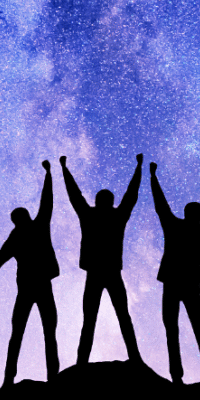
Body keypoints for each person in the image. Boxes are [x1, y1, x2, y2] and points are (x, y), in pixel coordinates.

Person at [60, 153, 144, 365]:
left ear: (98, 201)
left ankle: (82, 362)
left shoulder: (90, 215)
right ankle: (133, 357)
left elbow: (74, 194)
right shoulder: (116, 216)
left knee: (92, 320)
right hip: (107, 273)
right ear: (110, 202)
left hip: (97, 273)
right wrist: (138, 167)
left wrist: (64, 169)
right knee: (120, 317)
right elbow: (131, 195)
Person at [149, 161, 200, 385]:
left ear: (189, 214)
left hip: (178, 285)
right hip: (182, 286)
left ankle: (183, 375)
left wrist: (153, 176)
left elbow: (160, 205)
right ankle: (195, 373)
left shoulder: (187, 231)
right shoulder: (199, 235)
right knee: (188, 329)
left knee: (178, 330)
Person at [0, 160, 60, 387]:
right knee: (41, 332)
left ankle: (11, 379)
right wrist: (49, 174)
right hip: (36, 286)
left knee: (26, 333)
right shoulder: (28, 230)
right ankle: (46, 377)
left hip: (33, 287)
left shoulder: (21, 233)